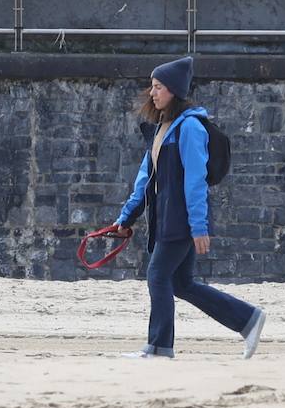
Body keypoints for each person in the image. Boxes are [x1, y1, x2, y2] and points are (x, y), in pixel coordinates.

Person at [112, 56, 266, 360]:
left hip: (180, 219)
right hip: (166, 219)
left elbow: (196, 181)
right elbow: (145, 180)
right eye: (152, 86)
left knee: (158, 276)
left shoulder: (191, 128)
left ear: (174, 90)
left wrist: (199, 226)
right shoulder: (161, 128)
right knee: (181, 284)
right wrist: (126, 218)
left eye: (158, 87)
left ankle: (159, 347)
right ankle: (248, 319)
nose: (152, 93)